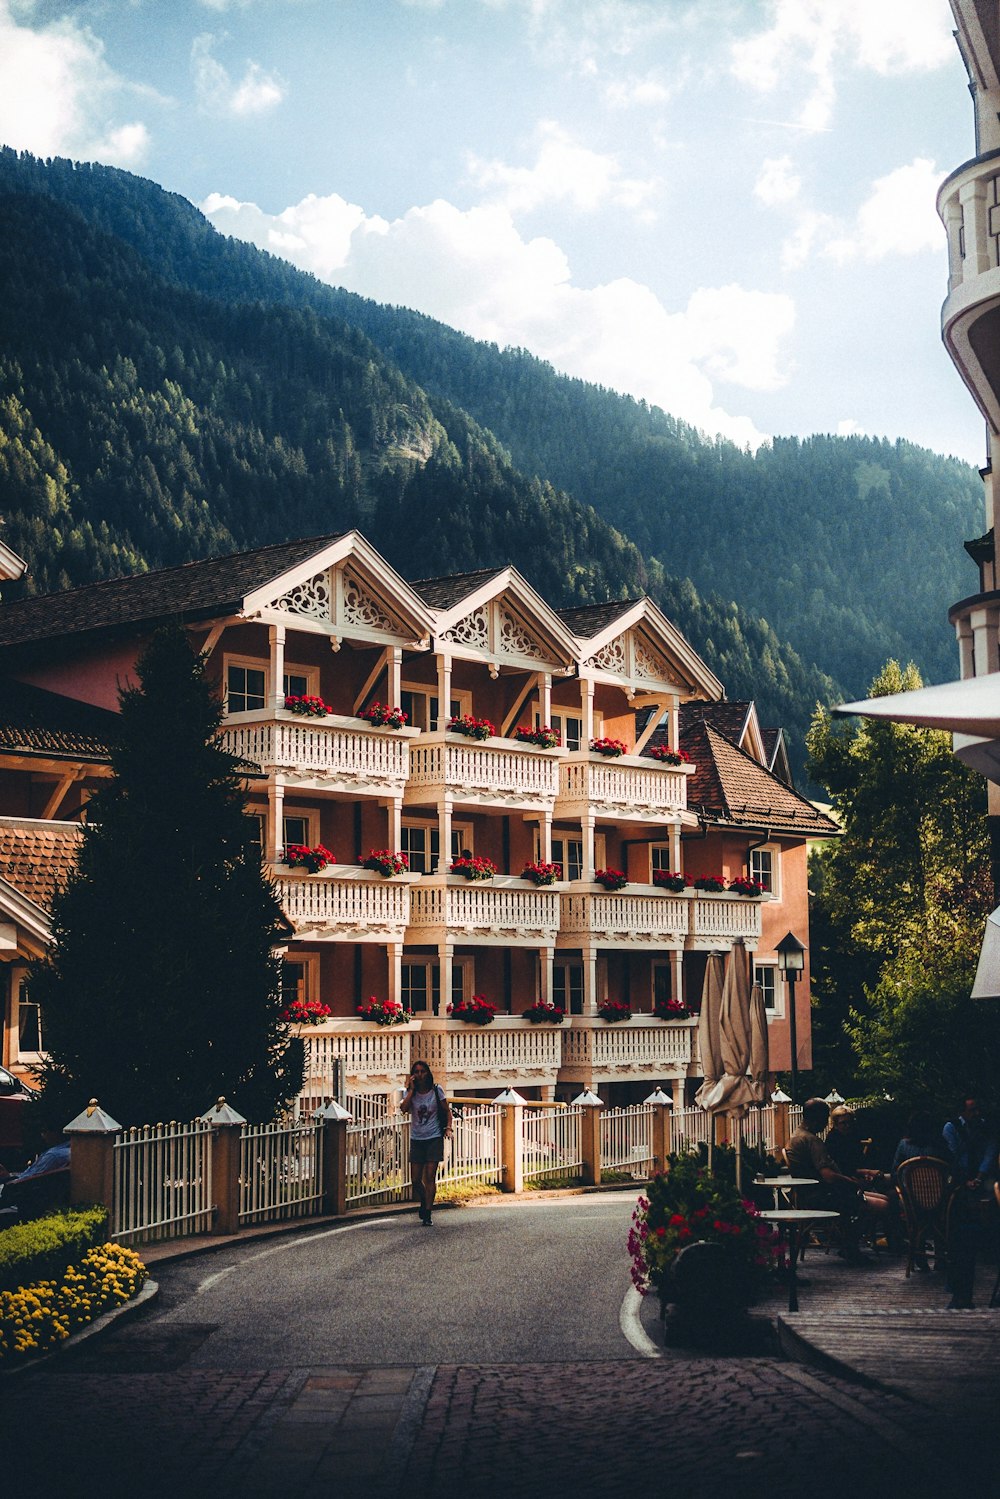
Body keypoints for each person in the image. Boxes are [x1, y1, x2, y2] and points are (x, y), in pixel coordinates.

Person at [784, 1097, 876, 1264]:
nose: (827, 1123)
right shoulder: (812, 1141)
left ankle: (848, 1245)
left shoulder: (796, 1136)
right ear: (817, 1118)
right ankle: (850, 1247)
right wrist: (853, 1183)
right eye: (825, 1117)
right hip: (819, 1196)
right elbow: (828, 1175)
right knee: (867, 1207)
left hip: (804, 1194)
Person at [400, 1060, 452, 1226]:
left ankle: (428, 1213)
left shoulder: (437, 1090)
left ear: (428, 1073)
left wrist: (448, 1128)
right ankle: (425, 1201)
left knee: (430, 1176)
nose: (420, 1074)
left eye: (423, 1071)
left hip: (434, 1137)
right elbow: (403, 1109)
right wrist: (412, 1090)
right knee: (415, 1180)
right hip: (417, 1139)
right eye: (417, 1071)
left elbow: (447, 1111)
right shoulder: (411, 1093)